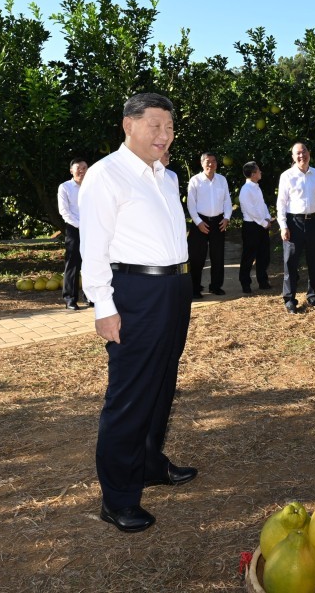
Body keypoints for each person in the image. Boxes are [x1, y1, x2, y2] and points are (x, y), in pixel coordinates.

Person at [79, 93, 197, 533]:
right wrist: (103, 307)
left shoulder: (166, 176)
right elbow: (93, 249)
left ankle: (149, 463)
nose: (164, 136)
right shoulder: (106, 176)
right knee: (129, 395)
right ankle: (118, 498)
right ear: (128, 125)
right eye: (155, 126)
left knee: (163, 383)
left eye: (169, 127)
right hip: (135, 291)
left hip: (174, 287)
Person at [276, 142, 315, 313]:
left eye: (304, 152)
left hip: (314, 222)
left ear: (309, 153)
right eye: (297, 153)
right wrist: (283, 226)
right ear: (293, 157)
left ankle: (314, 297)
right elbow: (281, 204)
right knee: (291, 262)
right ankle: (290, 299)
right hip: (294, 223)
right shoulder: (286, 176)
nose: (301, 156)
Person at [186, 152, 232, 298]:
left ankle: (216, 286)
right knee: (197, 257)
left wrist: (227, 218)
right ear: (202, 163)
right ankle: (195, 288)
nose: (211, 164)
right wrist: (198, 222)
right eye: (207, 161)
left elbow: (227, 201)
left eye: (213, 161)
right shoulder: (195, 180)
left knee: (217, 256)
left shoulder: (222, 180)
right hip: (200, 221)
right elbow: (191, 204)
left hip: (218, 222)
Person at [57, 157, 88, 310]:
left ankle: (90, 296)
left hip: (92, 229)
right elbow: (64, 212)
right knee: (73, 264)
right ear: (71, 170)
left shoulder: (92, 186)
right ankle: (70, 299)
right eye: (78, 168)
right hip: (74, 228)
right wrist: (80, 225)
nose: (82, 171)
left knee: (91, 263)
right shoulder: (65, 187)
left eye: (84, 168)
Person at [238, 161, 273, 293]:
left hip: (261, 225)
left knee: (264, 255)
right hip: (251, 227)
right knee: (249, 256)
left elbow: (262, 205)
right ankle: (245, 283)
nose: (260, 172)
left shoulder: (256, 187)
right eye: (258, 170)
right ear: (253, 174)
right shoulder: (245, 190)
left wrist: (268, 217)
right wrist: (264, 223)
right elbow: (251, 210)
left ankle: (263, 281)